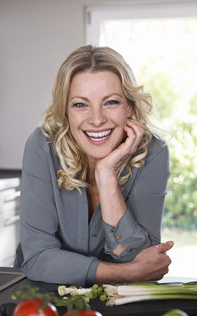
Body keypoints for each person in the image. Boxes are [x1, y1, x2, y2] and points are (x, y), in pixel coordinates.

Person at [16, 45, 173, 287]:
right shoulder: (42, 146)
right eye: (80, 104)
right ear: (65, 111)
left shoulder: (152, 153)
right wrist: (128, 273)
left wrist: (106, 174)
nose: (97, 119)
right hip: (40, 298)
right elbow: (38, 258)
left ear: (129, 107)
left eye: (110, 102)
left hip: (121, 303)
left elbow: (141, 257)